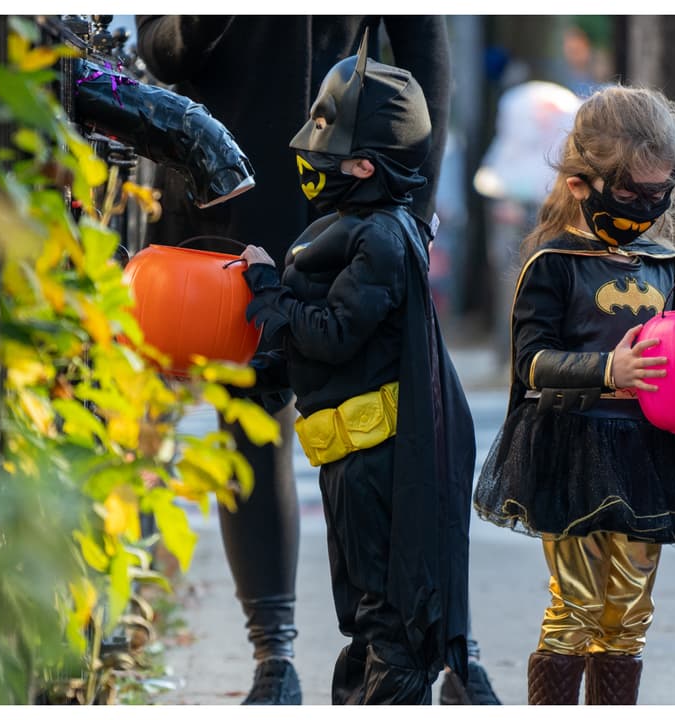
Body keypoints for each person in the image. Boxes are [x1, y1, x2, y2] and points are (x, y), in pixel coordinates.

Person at [134, 16, 501, 705]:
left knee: (405, 432)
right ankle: (273, 656)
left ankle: (452, 646)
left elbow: (427, 55)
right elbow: (161, 49)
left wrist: (409, 208)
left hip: (359, 198)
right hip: (229, 200)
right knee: (249, 418)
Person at [472, 85, 675, 705]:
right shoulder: (553, 263)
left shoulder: (669, 267)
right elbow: (531, 363)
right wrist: (607, 369)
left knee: (629, 612)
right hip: (573, 445)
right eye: (629, 194)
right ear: (580, 184)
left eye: (659, 194)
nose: (645, 208)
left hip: (649, 453)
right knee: (575, 606)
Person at [236, 38, 474, 705]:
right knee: (363, 612)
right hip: (347, 457)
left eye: (330, 153)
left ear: (365, 166)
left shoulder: (382, 237)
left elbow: (336, 334)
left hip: (377, 462)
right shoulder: (349, 229)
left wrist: (269, 292)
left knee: (386, 614)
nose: (313, 163)